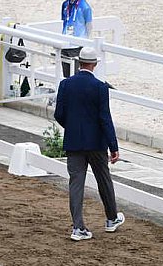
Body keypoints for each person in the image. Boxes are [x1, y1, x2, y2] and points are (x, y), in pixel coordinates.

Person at [54, 47, 124, 241]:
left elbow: (59, 114)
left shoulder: (66, 84)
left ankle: (78, 227)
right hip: (96, 142)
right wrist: (114, 147)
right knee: (104, 180)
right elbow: (105, 119)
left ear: (79, 62)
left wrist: (73, 127)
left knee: (76, 184)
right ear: (94, 64)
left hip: (74, 141)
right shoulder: (101, 87)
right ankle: (111, 218)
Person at [60, 0, 93, 78]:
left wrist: (85, 41)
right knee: (66, 75)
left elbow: (89, 25)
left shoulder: (84, 6)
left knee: (76, 75)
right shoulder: (65, 5)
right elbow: (64, 21)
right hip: (65, 43)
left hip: (77, 45)